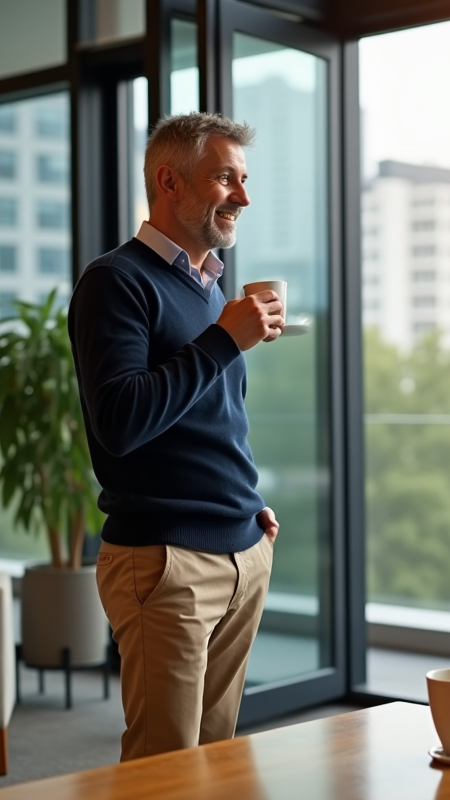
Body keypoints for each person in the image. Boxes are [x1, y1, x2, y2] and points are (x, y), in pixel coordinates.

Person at [67, 112, 282, 761]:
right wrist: (225, 340)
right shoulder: (116, 281)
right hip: (167, 563)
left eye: (244, 180)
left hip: (242, 550)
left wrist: (248, 507)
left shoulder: (210, 290)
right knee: (163, 768)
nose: (243, 196)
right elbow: (122, 420)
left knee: (213, 761)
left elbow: (214, 421)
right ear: (169, 181)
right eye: (225, 178)